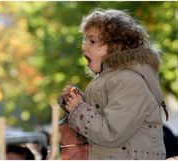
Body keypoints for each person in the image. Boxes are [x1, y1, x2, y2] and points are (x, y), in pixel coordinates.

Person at [59, 8, 168, 160]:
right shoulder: (112, 79)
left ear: (115, 46)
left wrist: (79, 110)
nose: (84, 46)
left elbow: (112, 133)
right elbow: (106, 116)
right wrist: (77, 103)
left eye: (92, 41)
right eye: (85, 40)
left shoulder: (129, 81)